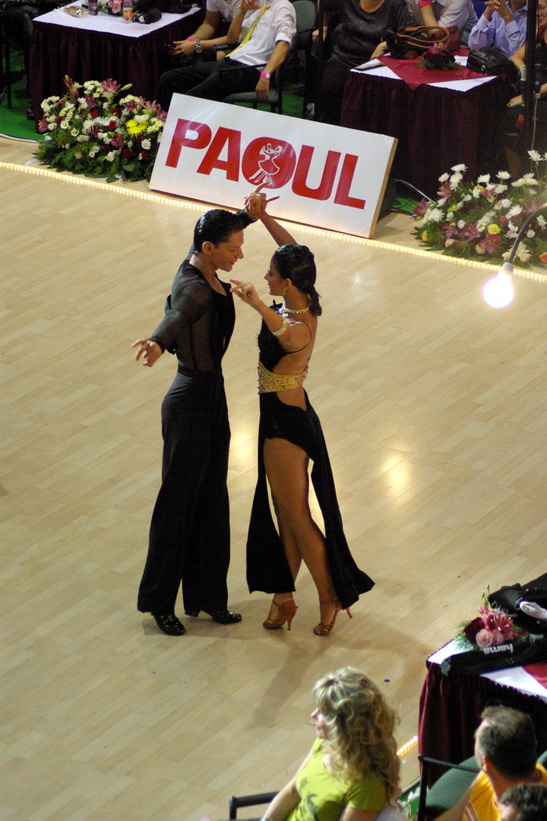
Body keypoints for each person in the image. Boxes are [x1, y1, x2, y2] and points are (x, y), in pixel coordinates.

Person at [231, 193, 374, 636]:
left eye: (272, 275)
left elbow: (284, 333)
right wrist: (265, 218)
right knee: (286, 511)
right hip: (285, 412)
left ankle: (329, 596)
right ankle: (283, 597)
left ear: (288, 283)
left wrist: (256, 303)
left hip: (285, 422)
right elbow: (293, 251)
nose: (266, 277)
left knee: (294, 515)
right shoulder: (303, 295)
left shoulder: (296, 326)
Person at [133, 200, 261, 636]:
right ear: (208, 248)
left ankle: (208, 598)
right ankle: (159, 602)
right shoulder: (197, 288)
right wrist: (156, 341)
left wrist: (248, 216)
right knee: (178, 503)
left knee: (212, 499)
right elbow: (178, 315)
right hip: (189, 403)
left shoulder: (202, 262)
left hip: (211, 397)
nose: (240, 254)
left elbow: (222, 231)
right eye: (233, 248)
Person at [259, 667, 401, 820]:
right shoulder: (326, 743)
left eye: (324, 713)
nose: (313, 714)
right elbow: (292, 791)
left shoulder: (367, 786)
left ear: (345, 725)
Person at [156, 0, 296, 111]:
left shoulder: (283, 7)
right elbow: (231, 38)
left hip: (251, 68)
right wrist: (242, 11)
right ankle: (157, 126)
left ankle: (172, 131)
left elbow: (284, 44)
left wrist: (266, 74)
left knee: (190, 99)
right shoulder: (258, 5)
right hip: (232, 61)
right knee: (169, 79)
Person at [437, 706, 547, 821]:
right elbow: (454, 814)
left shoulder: (518, 816)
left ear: (486, 762)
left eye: (476, 739)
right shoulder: (490, 775)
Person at [319, 0, 416, 125]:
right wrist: (324, 27)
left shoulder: (396, 4)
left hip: (377, 64)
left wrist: (385, 45)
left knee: (374, 98)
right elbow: (323, 4)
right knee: (329, 86)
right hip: (345, 58)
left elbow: (408, 37)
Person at [501, 0, 547, 178]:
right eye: (535, 9)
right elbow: (515, 57)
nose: (537, 13)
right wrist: (526, 73)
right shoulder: (539, 33)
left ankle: (538, 178)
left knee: (525, 118)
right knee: (510, 117)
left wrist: (530, 95)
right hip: (535, 90)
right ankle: (517, 180)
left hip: (541, 95)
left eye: (541, 8)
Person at [166, 0, 242, 63]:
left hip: (242, 42)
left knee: (211, 56)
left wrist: (196, 44)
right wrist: (190, 40)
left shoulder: (242, 2)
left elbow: (235, 37)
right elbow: (210, 24)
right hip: (229, 35)